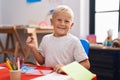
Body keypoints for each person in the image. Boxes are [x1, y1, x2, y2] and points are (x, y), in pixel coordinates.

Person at [26, 5, 90, 73]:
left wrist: (67, 69)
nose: (62, 24)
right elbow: (41, 61)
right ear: (51, 22)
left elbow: (86, 64)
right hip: (49, 75)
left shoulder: (74, 41)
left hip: (66, 76)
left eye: (66, 21)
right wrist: (33, 48)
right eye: (59, 20)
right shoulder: (46, 39)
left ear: (71, 25)